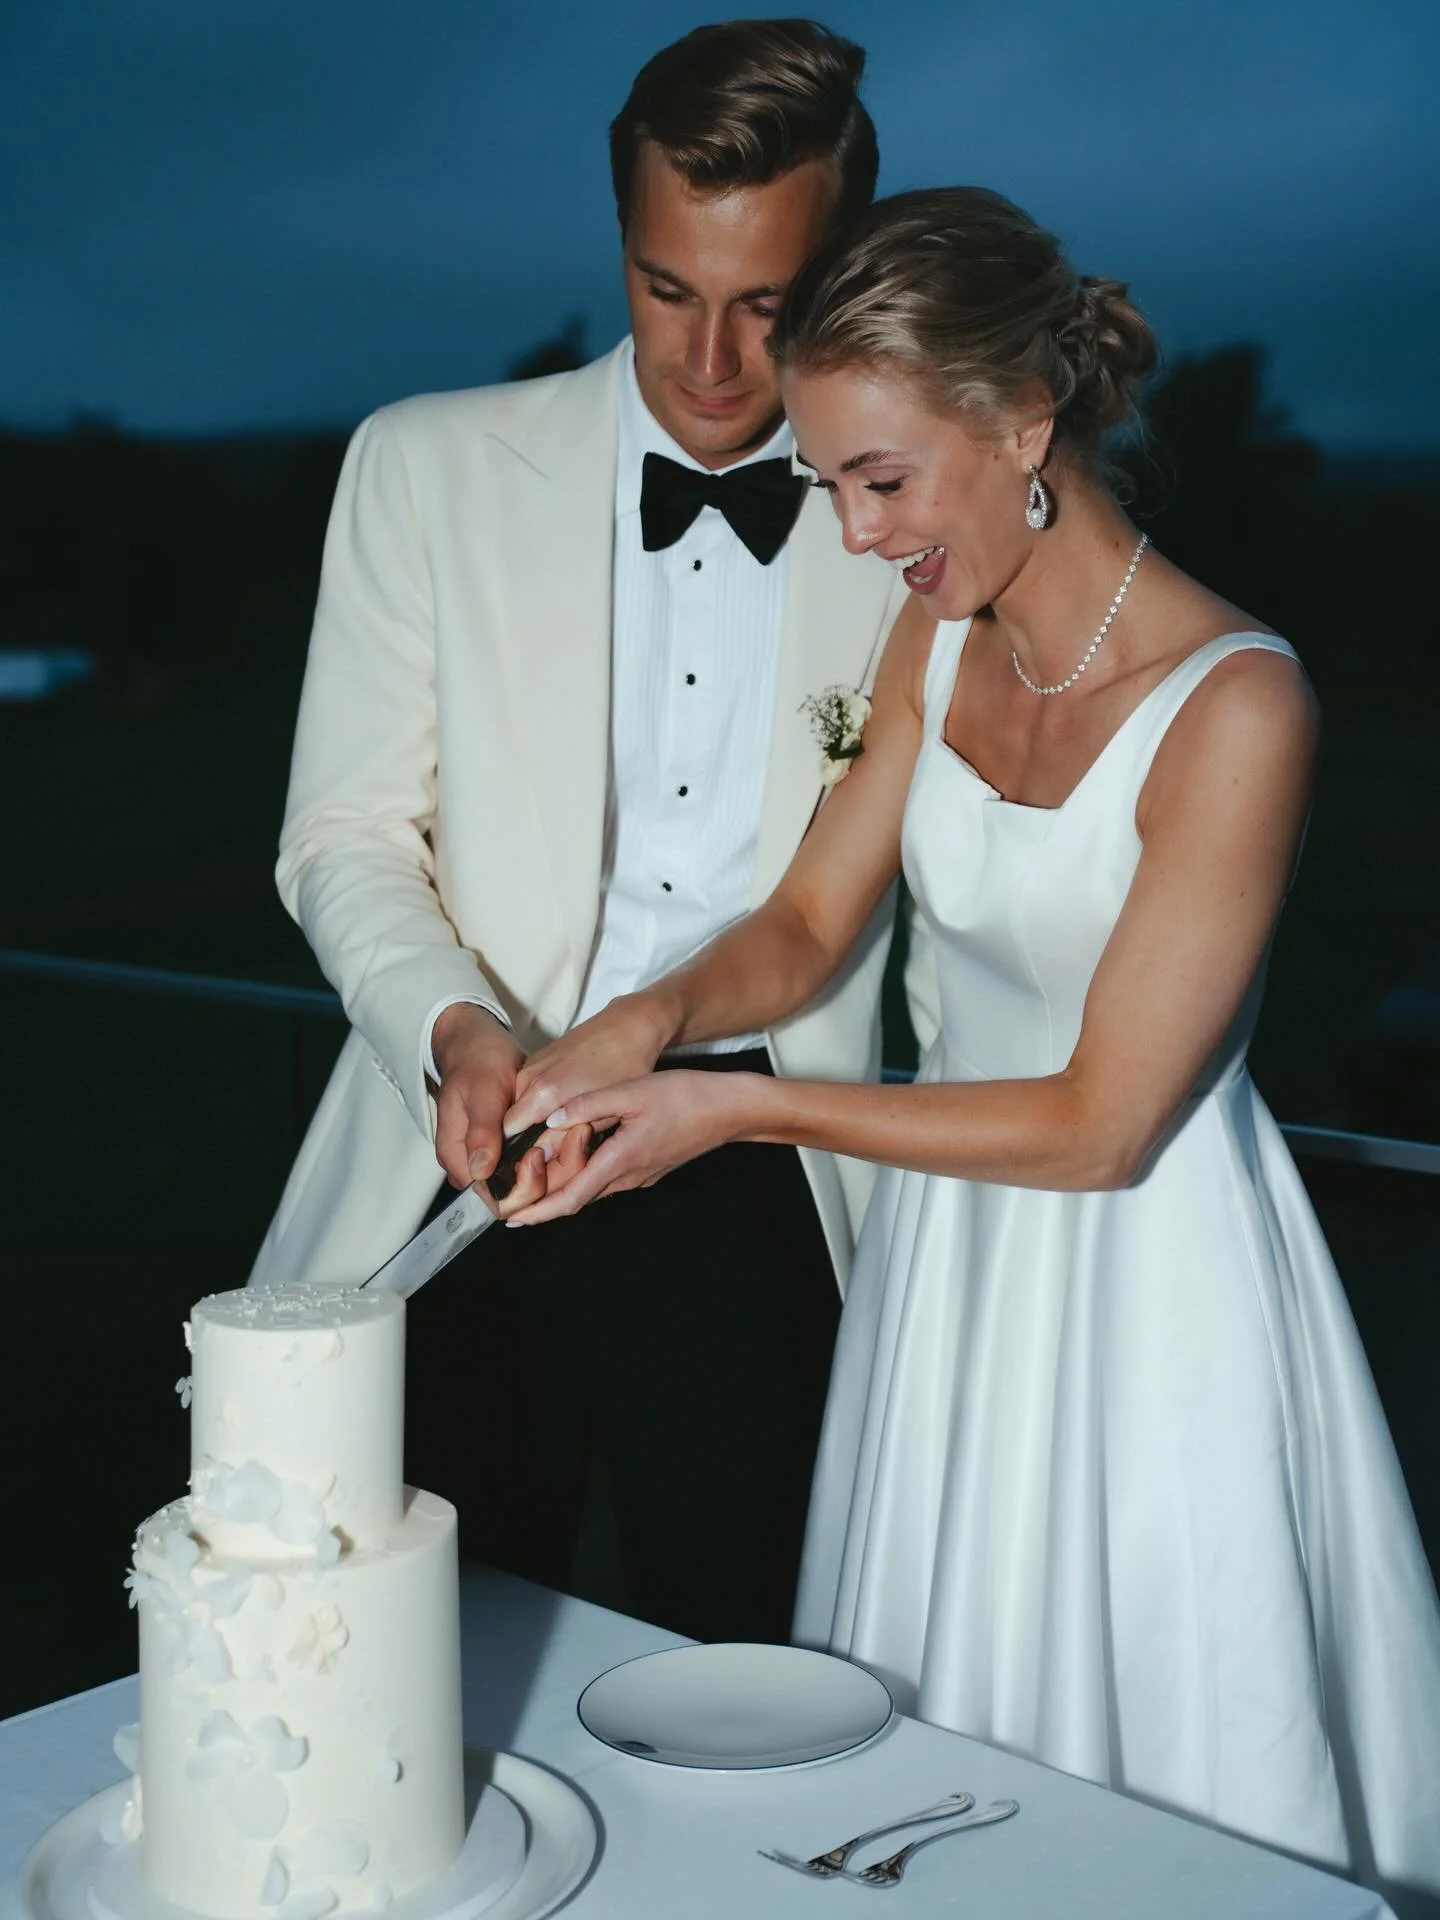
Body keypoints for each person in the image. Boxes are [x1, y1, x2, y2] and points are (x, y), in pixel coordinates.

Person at [499, 188, 1440, 1909]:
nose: (855, 537)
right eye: (826, 484)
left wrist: (731, 1111)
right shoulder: (939, 627)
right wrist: (627, 1029)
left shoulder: (1239, 706)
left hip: (1147, 1291)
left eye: (883, 481)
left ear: (1022, 425)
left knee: (1148, 1775)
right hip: (945, 1266)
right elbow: (801, 930)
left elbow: (1100, 1122)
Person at [247, 19, 913, 1646]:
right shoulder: (421, 469)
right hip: (477, 1132)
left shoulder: (908, 524)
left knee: (769, 1664)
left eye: (769, 304)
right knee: (400, 1659)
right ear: (618, 243)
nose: (708, 361)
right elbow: (340, 837)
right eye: (666, 287)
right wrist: (454, 1026)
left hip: (776, 1160)